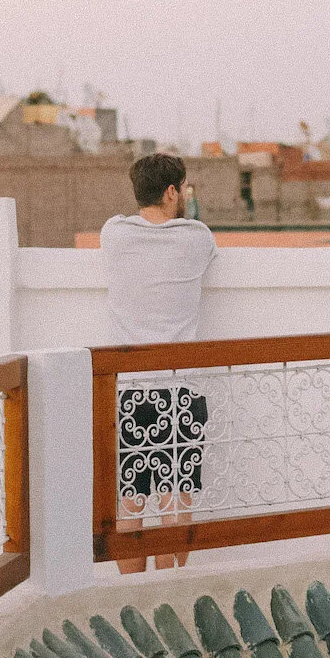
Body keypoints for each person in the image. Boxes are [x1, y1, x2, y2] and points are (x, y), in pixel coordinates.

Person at [100, 153, 218, 573]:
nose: (185, 195)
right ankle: (168, 599)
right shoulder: (197, 237)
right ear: (171, 192)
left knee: (130, 506)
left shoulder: (113, 235)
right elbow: (203, 253)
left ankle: (134, 600)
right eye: (183, 188)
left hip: (130, 394)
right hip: (180, 392)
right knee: (175, 504)